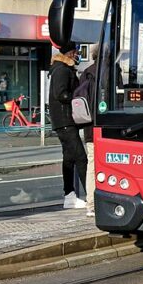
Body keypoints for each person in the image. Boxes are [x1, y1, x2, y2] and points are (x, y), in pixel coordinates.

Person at [49, 42, 87, 209]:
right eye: (76, 51)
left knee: (69, 158)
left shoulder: (61, 68)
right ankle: (91, 199)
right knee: (81, 157)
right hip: (65, 120)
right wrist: (77, 97)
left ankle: (69, 196)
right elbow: (61, 94)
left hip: (63, 121)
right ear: (70, 53)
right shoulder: (62, 70)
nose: (78, 54)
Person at [79, 44, 99, 217]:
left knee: (91, 165)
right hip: (107, 127)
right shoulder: (110, 72)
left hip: (88, 127)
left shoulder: (86, 72)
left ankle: (90, 204)